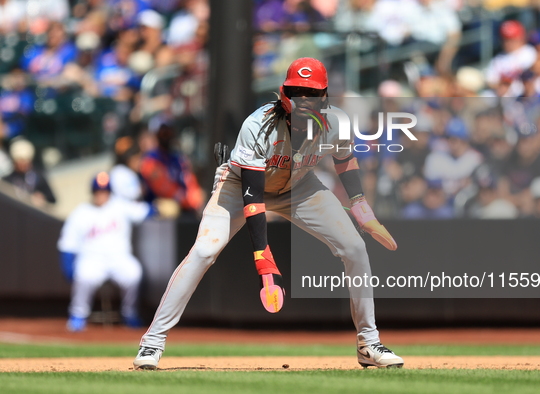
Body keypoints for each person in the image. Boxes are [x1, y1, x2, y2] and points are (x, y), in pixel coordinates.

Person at [133, 57, 404, 370]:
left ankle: (368, 344)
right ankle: (152, 343)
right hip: (240, 189)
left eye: (311, 92)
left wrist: (360, 206)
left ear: (324, 96)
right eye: (297, 90)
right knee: (204, 251)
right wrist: (263, 256)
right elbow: (254, 197)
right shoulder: (258, 125)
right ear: (283, 91)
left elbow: (344, 160)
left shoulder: (337, 122)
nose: (304, 98)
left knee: (355, 248)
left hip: (301, 188)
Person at [57, 172, 155, 332]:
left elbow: (145, 211)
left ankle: (130, 314)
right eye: (98, 191)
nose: (101, 194)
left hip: (119, 258)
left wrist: (157, 206)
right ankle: (78, 315)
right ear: (93, 192)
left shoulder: (120, 206)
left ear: (109, 192)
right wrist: (67, 264)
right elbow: (67, 242)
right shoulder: (81, 212)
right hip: (91, 259)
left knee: (133, 273)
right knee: (84, 276)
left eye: (104, 191)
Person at [2, 138, 56, 207]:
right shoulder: (8, 180)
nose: (23, 164)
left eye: (25, 161)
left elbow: (52, 199)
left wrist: (42, 197)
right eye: (20, 161)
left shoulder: (38, 176)